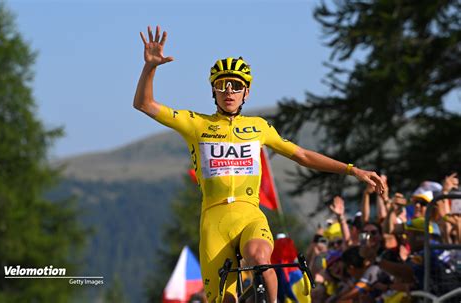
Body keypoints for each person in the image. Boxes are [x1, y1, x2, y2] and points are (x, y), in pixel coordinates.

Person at [133, 25, 385, 303]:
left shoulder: (259, 127)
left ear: (246, 93)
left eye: (236, 86)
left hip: (250, 214)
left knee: (260, 257)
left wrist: (353, 170)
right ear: (213, 91)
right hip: (214, 222)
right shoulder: (196, 124)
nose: (229, 91)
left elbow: (302, 155)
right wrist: (150, 68)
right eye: (221, 85)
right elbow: (144, 104)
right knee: (224, 300)